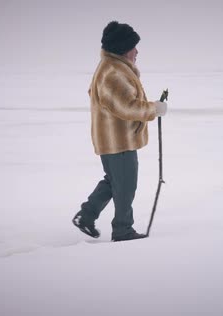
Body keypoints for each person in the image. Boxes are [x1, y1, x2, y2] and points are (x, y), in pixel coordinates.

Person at [72, 21, 168, 242]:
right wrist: (154, 109)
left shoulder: (110, 67)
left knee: (115, 181)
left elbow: (119, 103)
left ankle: (86, 216)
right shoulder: (113, 73)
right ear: (124, 48)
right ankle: (123, 230)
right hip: (118, 142)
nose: (137, 51)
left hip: (113, 139)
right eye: (134, 46)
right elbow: (127, 107)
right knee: (125, 186)